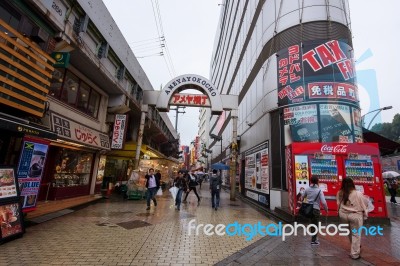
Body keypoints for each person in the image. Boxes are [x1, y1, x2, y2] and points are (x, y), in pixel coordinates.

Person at [337, 178, 369, 260]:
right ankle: (355, 254)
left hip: (343, 215)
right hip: (355, 215)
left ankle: (355, 246)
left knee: (350, 233)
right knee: (356, 234)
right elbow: (364, 203)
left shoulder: (340, 193)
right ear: (352, 184)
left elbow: (338, 204)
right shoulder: (358, 193)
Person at [301, 176, 328, 246]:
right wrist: (326, 209)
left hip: (309, 209)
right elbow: (323, 202)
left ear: (311, 181)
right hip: (316, 209)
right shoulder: (319, 190)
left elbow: (302, 197)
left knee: (312, 224)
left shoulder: (307, 189)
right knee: (315, 224)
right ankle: (314, 240)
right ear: (317, 182)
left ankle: (314, 238)